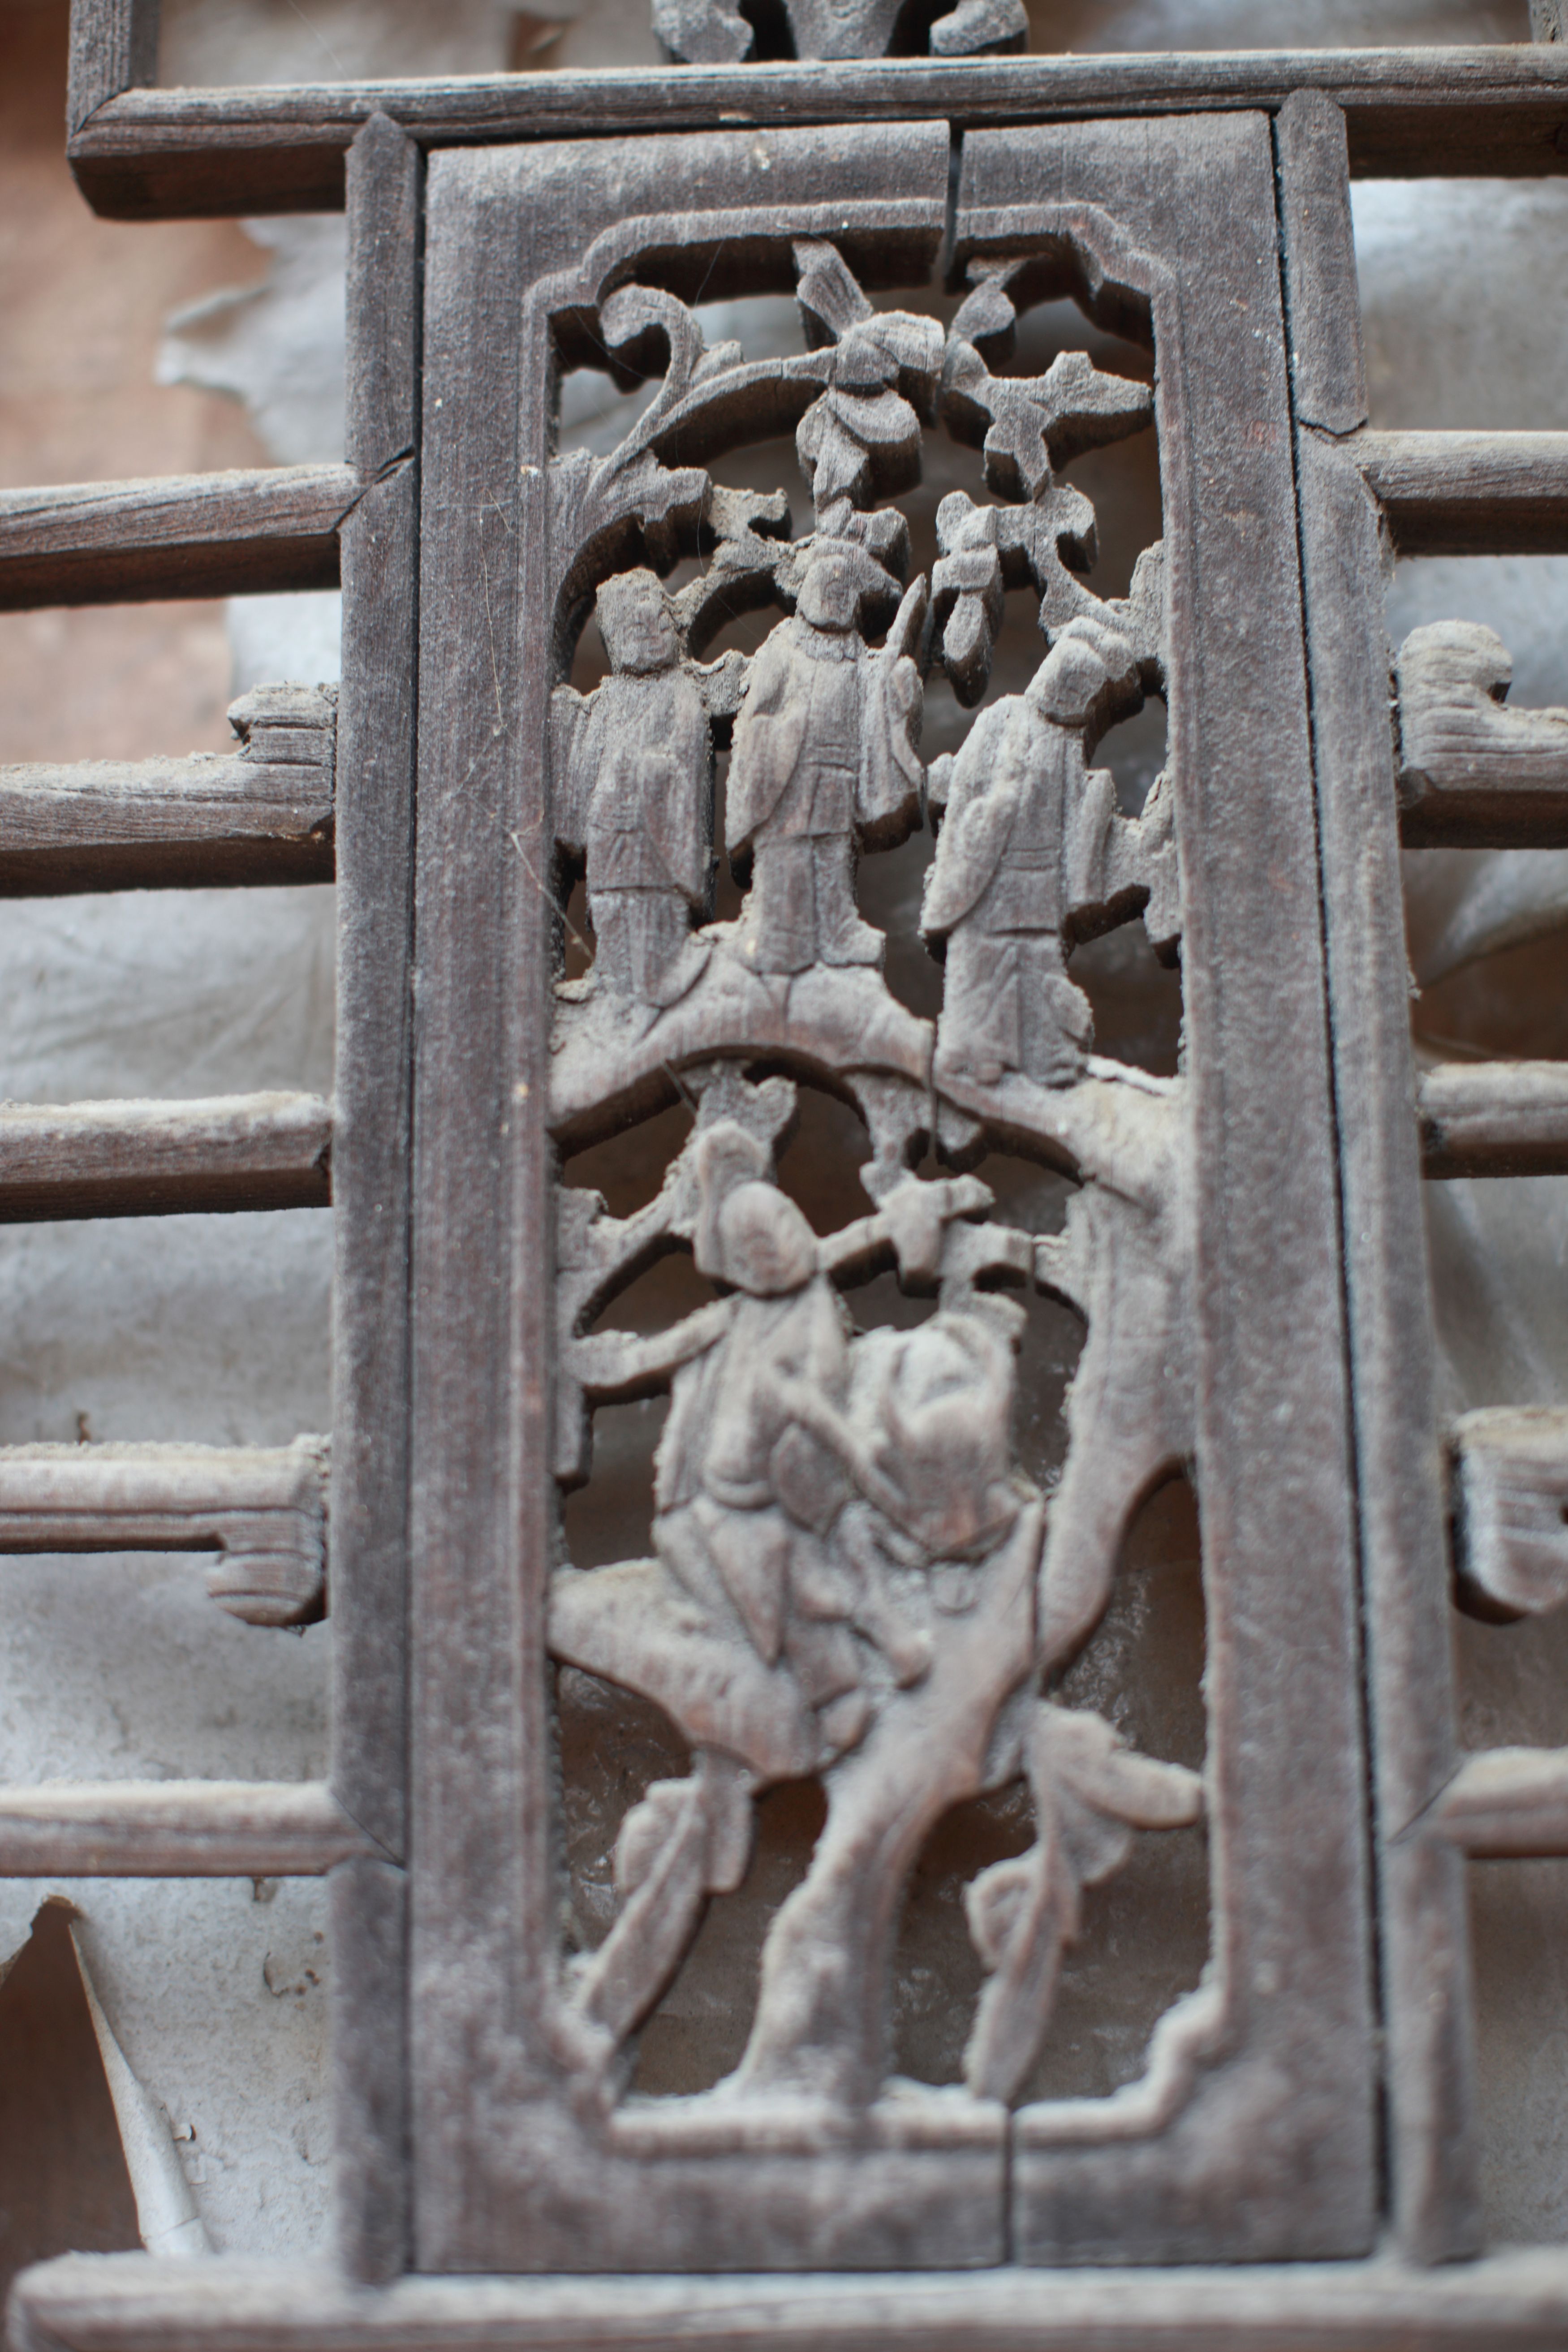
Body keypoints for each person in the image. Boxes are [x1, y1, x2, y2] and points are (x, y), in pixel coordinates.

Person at [922, 612, 1139, 1088]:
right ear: (1055, 680)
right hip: (993, 866)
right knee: (985, 958)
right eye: (1072, 687)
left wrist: (1094, 798)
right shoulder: (1004, 719)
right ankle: (969, 1051)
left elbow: (1070, 811)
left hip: (1041, 877)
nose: (1075, 700)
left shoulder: (1066, 743)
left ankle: (1041, 1052)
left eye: (1084, 695)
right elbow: (968, 785)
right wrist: (992, 812)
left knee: (1035, 960)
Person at [725, 541, 923, 977]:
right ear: (809, 593)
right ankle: (776, 927)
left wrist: (898, 682)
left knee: (832, 850)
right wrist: (788, 729)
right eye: (829, 591)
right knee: (789, 851)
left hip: (838, 773)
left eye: (845, 594)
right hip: (790, 773)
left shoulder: (857, 655)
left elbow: (878, 695)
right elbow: (757, 715)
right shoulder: (785, 649)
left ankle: (835, 926)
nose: (837, 601)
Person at [553, 568, 713, 1008]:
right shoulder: (607, 701)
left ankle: (657, 980)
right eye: (635, 630)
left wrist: (643, 770)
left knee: (653, 908)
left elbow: (685, 757)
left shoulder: (679, 694)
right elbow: (587, 768)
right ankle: (614, 982)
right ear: (615, 639)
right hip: (611, 831)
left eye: (659, 625)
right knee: (612, 905)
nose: (651, 637)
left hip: (655, 834)